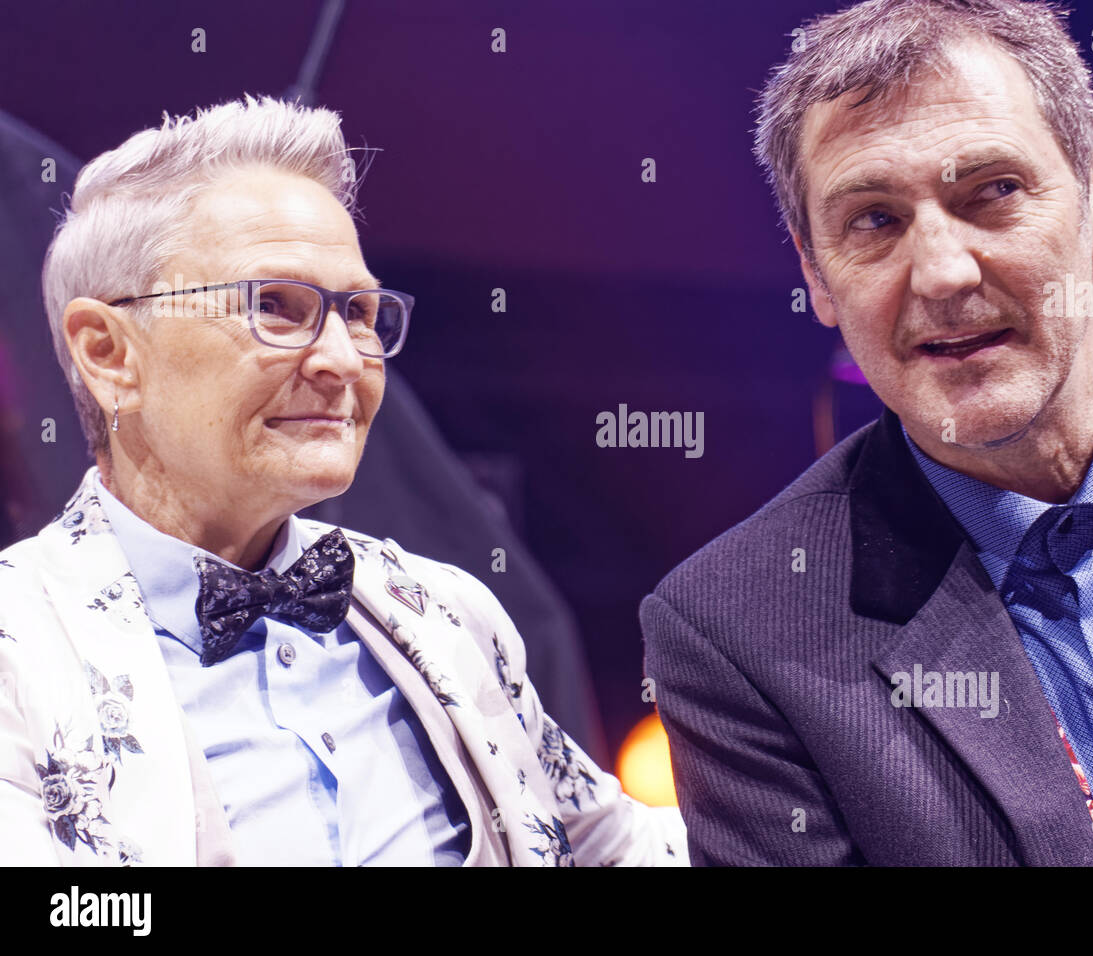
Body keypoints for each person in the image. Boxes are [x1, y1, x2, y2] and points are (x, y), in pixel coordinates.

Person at [641, 0, 1093, 866]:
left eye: (992, 192)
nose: (944, 274)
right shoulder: (737, 633)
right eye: (874, 220)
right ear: (817, 275)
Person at [0, 95, 686, 867]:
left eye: (357, 313)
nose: (342, 360)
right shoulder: (18, 648)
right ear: (108, 353)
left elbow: (624, 851)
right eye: (276, 308)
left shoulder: (441, 612)